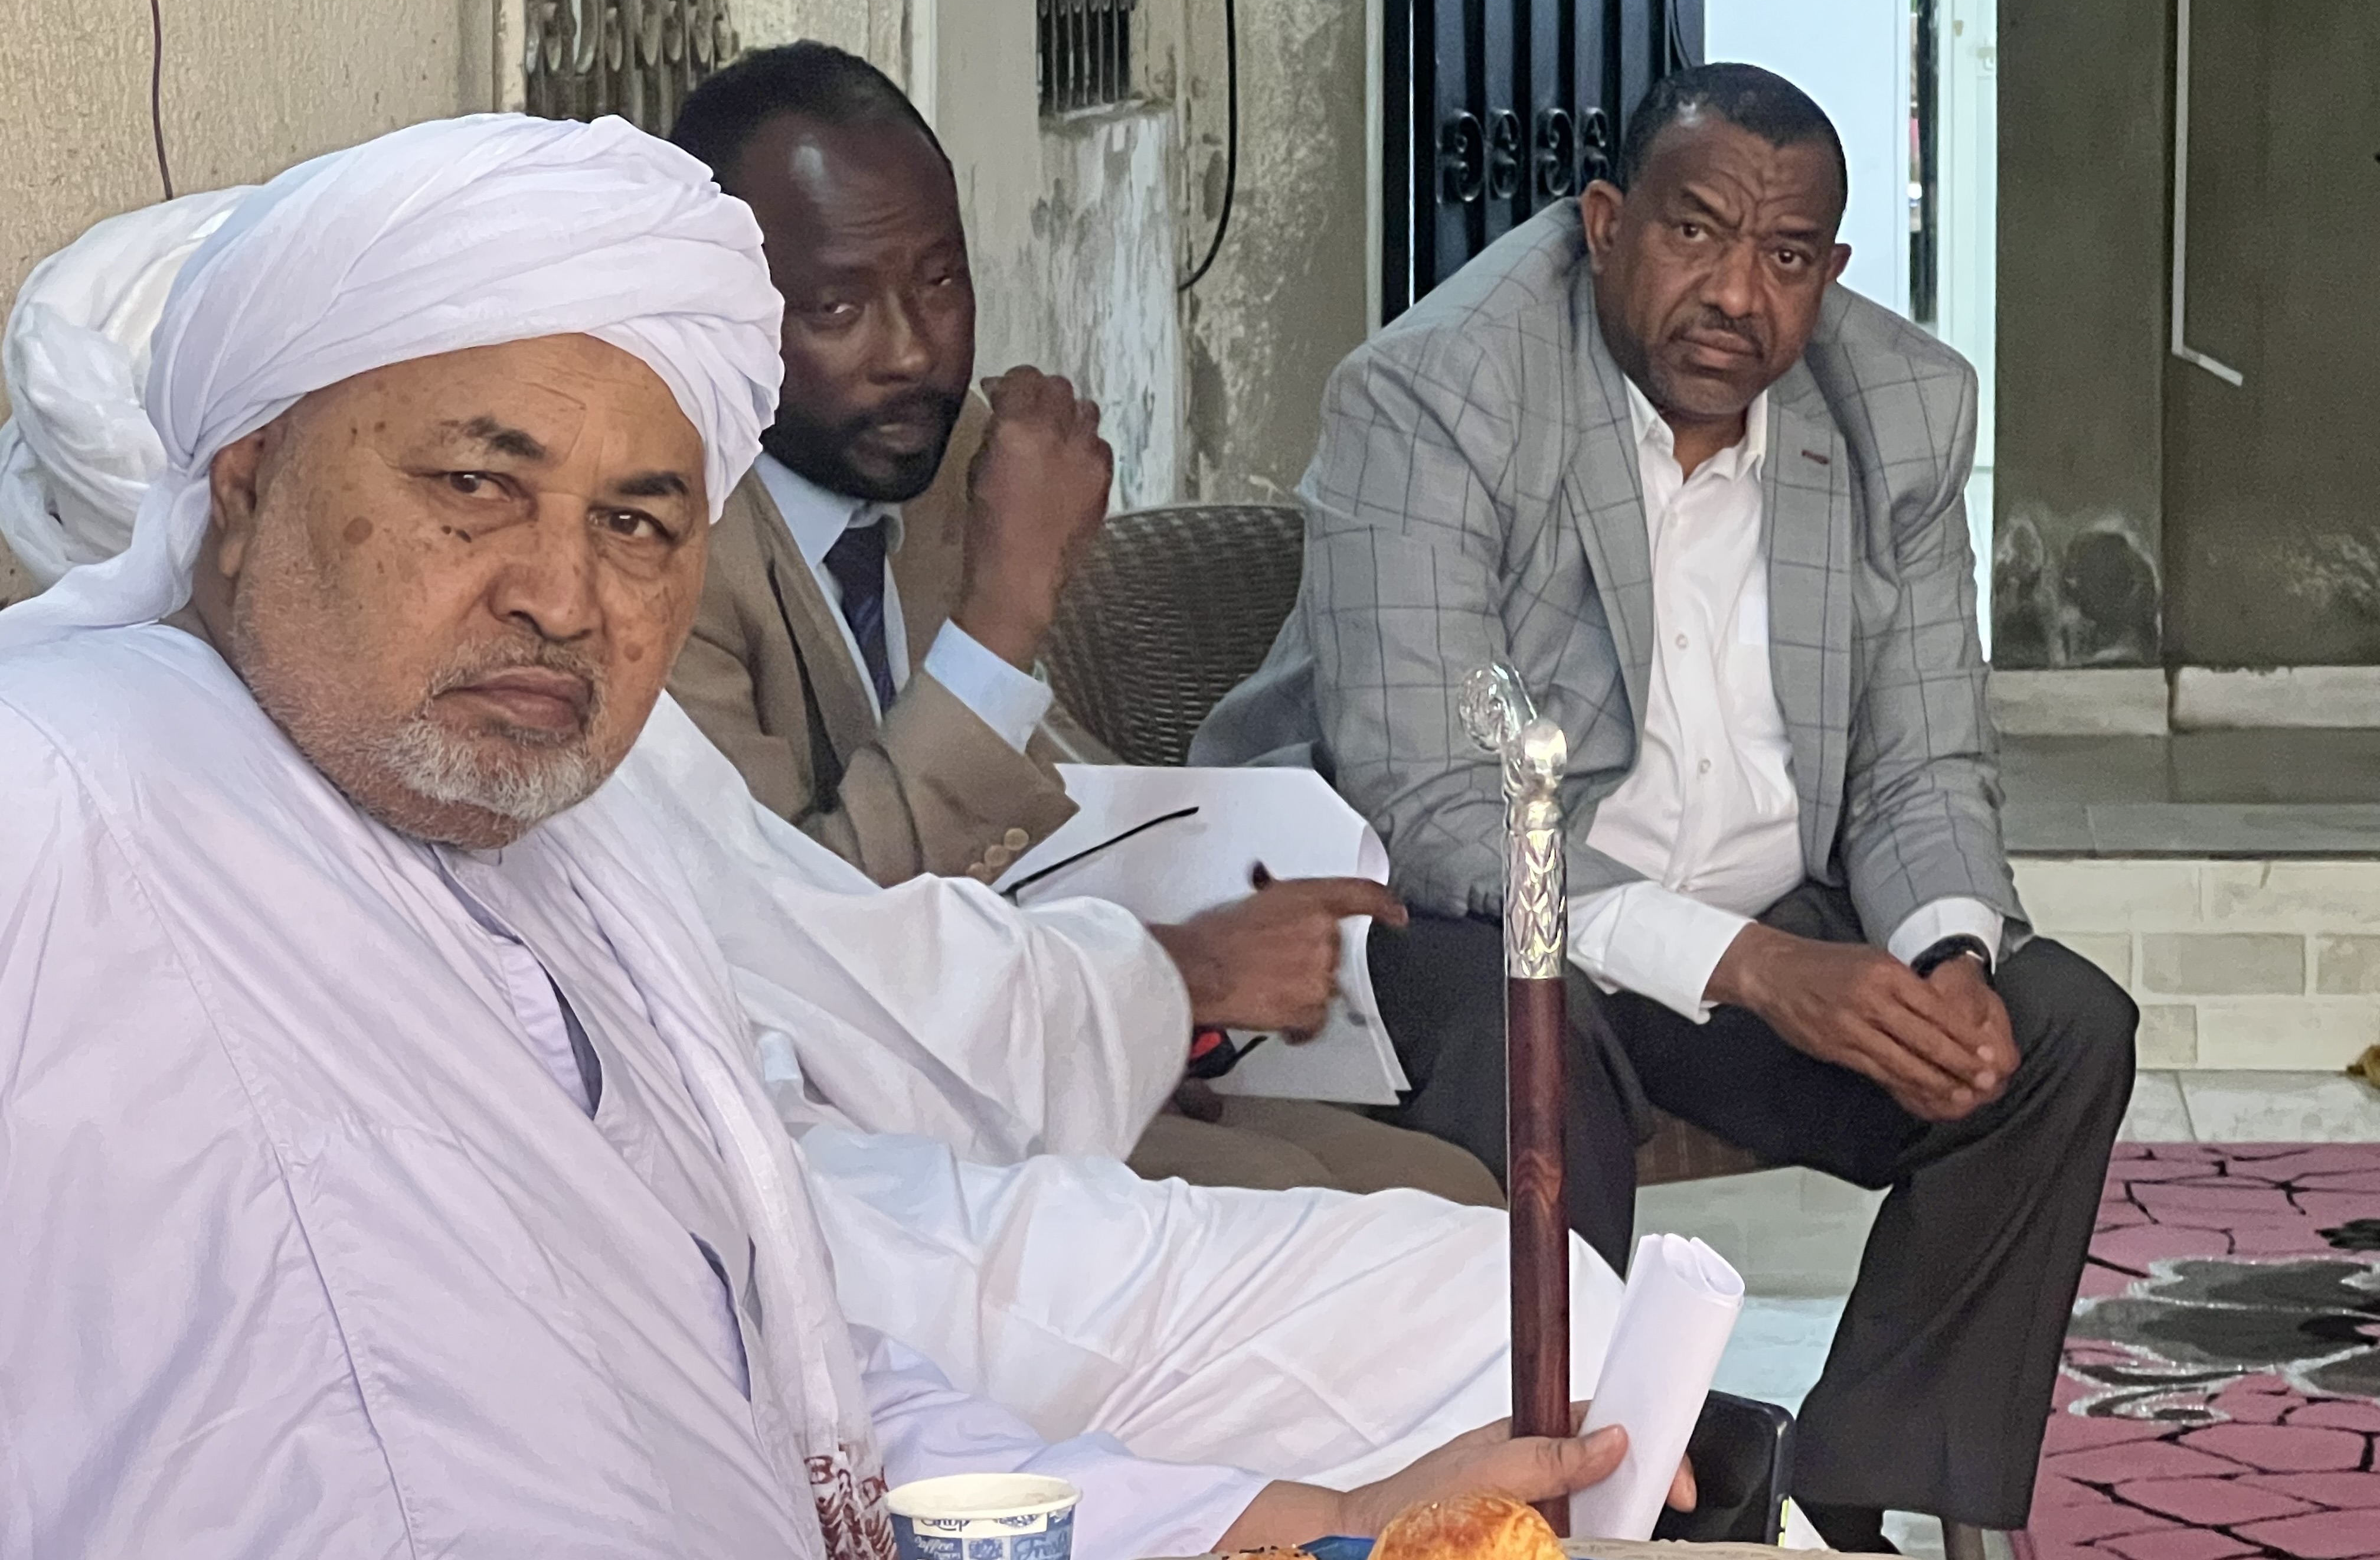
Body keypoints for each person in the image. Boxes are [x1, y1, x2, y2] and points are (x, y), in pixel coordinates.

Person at [0, 114, 1694, 1557]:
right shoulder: (59, 785)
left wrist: (1289, 1522)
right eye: (474, 487)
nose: (562, 593)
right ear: (243, 484)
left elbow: (796, 1374)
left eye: (639, 522)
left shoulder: (571, 864)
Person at [1195, 64, 2137, 1549]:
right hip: (1472, 913)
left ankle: (1856, 1484)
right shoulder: (1438, 391)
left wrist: (1947, 954)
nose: (1737, 297)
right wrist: (1759, 968)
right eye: (1695, 234)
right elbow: (1437, 797)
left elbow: (1920, 760)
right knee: (1532, 1046)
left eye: (1787, 257)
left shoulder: (1899, 409)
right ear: (1604, 224)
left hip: (1755, 915)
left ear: (1831, 268)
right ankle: (1569, 1508)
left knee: (2054, 1031)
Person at [662, 40, 1502, 1205]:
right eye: (838, 307)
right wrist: (1006, 612)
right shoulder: (667, 547)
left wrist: (1184, 960)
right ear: (720, 311)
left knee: (1452, 1194)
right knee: (1340, 1217)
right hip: (852, 1124)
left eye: (941, 281)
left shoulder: (957, 450)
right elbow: (812, 949)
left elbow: (1047, 798)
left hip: (1039, 1027)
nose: (912, 351)